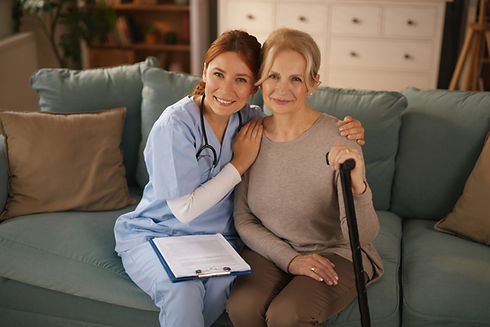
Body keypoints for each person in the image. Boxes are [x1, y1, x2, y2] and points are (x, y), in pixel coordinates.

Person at [114, 30, 366, 327]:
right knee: (183, 291)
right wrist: (238, 164)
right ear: (205, 71)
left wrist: (351, 129)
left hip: (218, 244)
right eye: (218, 74)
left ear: (253, 86)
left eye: (241, 80)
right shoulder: (176, 124)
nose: (227, 89)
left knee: (224, 293)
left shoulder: (250, 120)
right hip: (159, 234)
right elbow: (184, 211)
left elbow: (294, 124)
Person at [226, 28, 384, 327]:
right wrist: (291, 259)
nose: (281, 88)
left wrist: (358, 182)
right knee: (242, 307)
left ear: (313, 84)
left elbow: (362, 236)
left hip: (337, 253)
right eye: (273, 76)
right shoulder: (251, 134)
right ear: (260, 79)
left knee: (287, 316)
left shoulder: (340, 138)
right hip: (272, 248)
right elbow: (244, 219)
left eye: (295, 78)